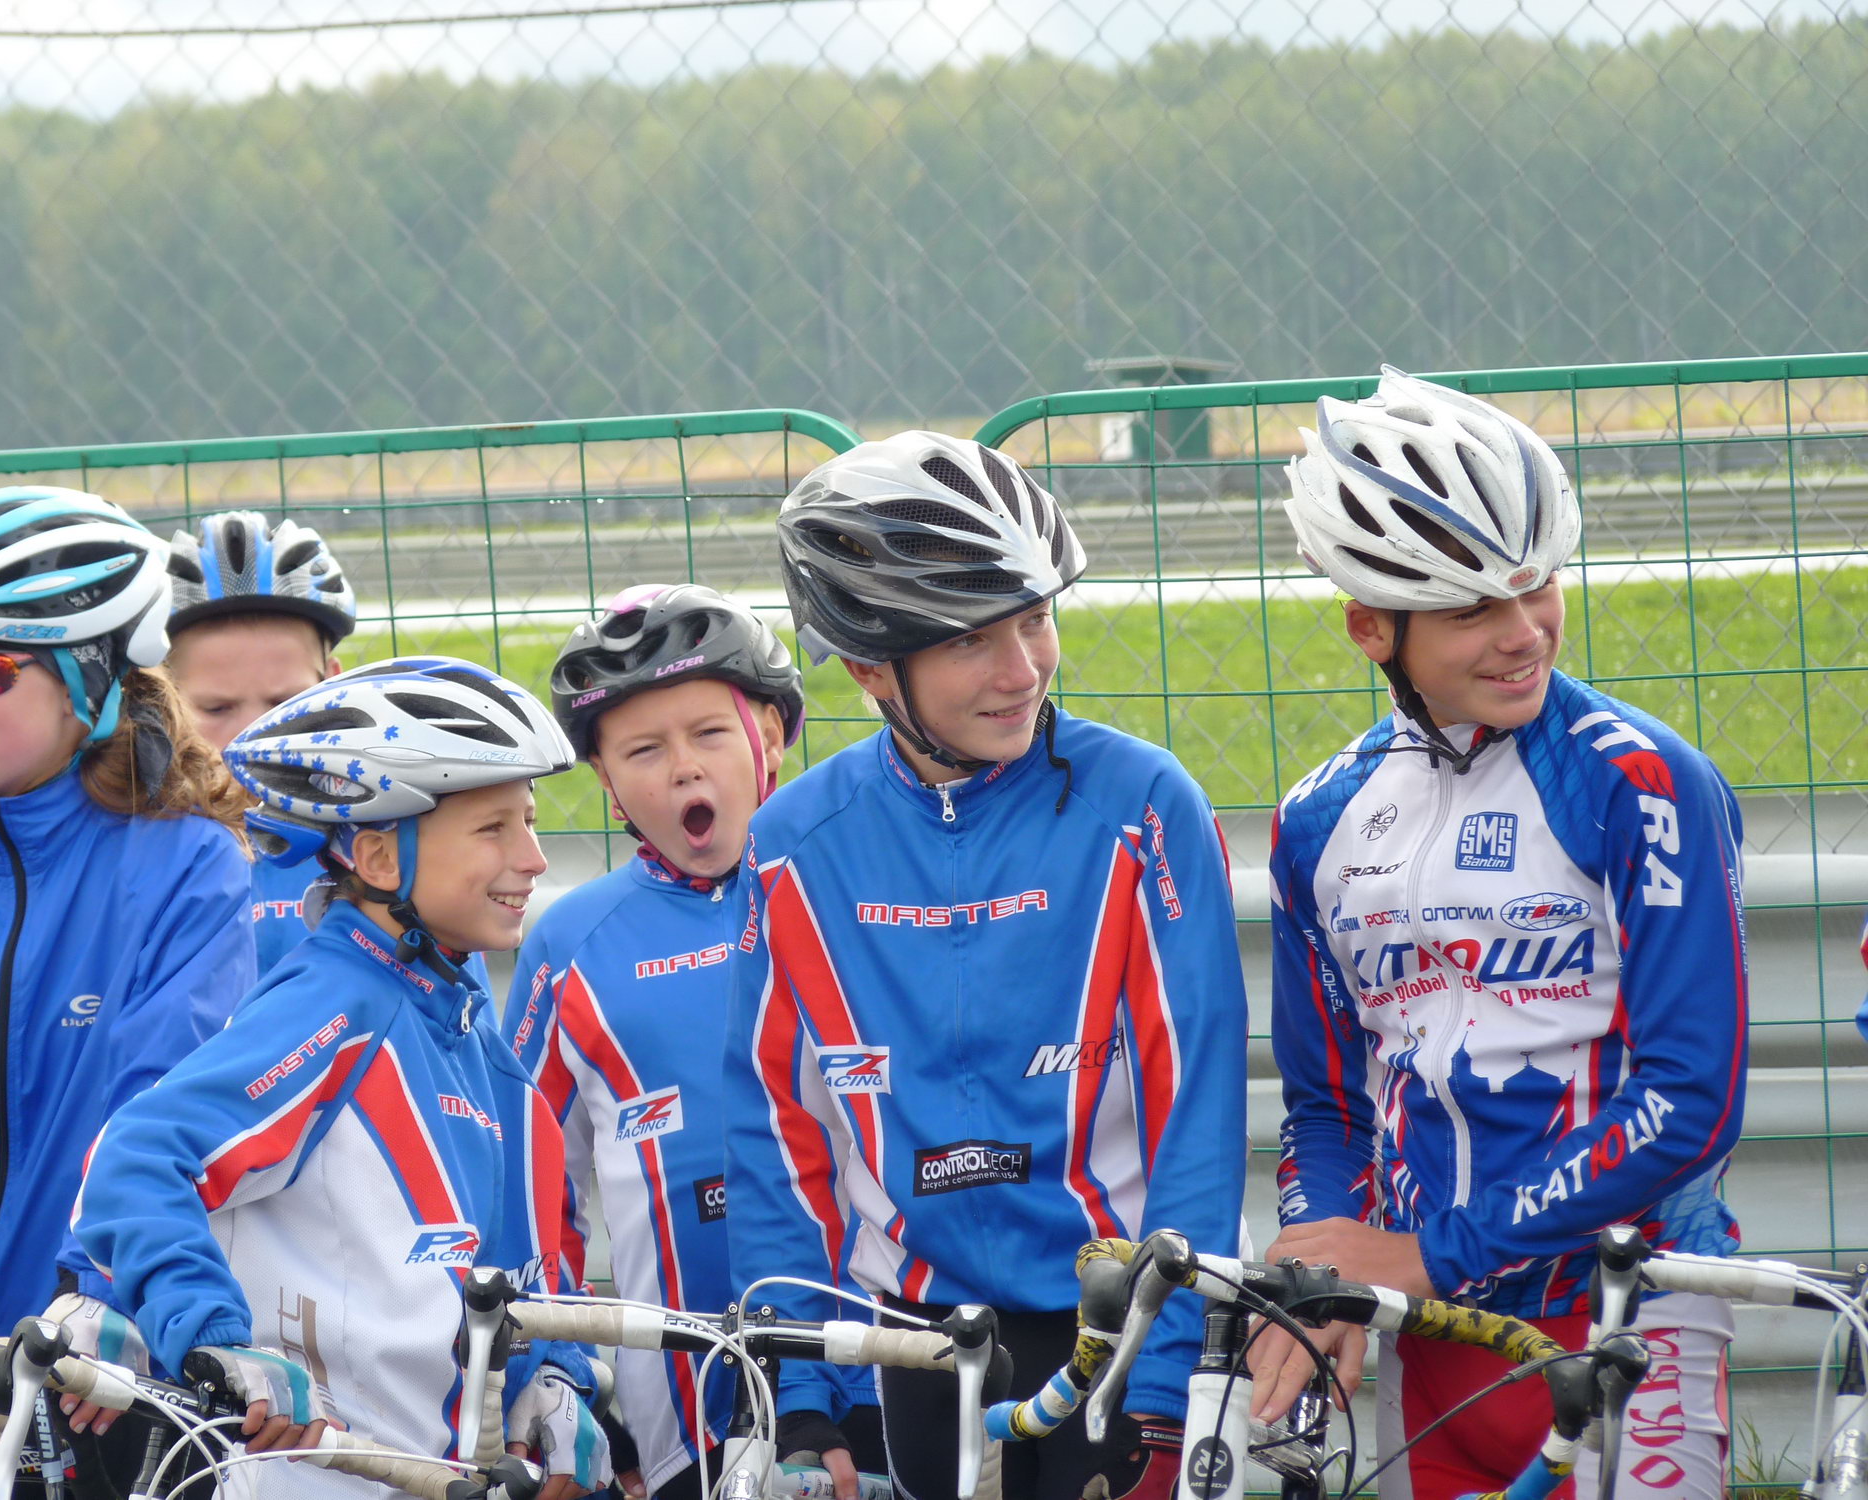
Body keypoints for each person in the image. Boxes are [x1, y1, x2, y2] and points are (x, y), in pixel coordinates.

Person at [722, 432, 1248, 1500]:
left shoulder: (1142, 805)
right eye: (972, 640)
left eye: (1034, 618)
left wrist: (1167, 1380)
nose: (1023, 670)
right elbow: (776, 1135)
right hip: (919, 1342)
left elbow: (1193, 1102)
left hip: (1123, 1331)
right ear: (868, 667)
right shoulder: (790, 846)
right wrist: (798, 1390)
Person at [1254, 368, 1748, 1497]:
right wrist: (1326, 1259)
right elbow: (1326, 1108)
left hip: (1627, 1317)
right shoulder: (1316, 820)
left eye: (1537, 585)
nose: (1524, 633)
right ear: (1369, 626)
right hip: (1419, 1340)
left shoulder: (1639, 782)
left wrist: (1429, 1253)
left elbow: (1690, 1099)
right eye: (1471, 607)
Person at [70, 656, 612, 1500]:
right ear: (380, 858)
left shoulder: (469, 1031)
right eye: (493, 829)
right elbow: (137, 1157)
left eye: (531, 822)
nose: (535, 858)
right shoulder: (332, 1004)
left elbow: (515, 1266)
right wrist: (213, 1338)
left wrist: (553, 1374)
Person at [0, 485, 256, 1487]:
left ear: (91, 675)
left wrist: (100, 1292)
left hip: (105, 1367)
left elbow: (158, 1113)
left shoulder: (186, 866)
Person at [512, 583, 884, 1499]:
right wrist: (563, 1375)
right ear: (605, 781)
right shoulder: (571, 944)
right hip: (681, 1411)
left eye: (710, 734)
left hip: (890, 1365)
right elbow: (531, 1191)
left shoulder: (865, 887)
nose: (684, 770)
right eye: (643, 750)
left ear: (774, 735)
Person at [164, 510, 357, 972]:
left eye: (286, 703)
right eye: (217, 708)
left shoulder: (394, 854)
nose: (256, 738)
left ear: (333, 685)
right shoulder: (135, 857)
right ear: (161, 702)